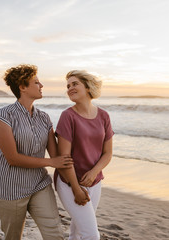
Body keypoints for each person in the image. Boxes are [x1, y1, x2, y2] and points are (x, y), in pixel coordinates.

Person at [0, 64, 73, 240]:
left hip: (39, 184)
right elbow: (13, 158)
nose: (41, 85)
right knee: (13, 236)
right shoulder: (4, 116)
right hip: (9, 188)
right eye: (36, 82)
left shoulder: (44, 117)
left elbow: (56, 155)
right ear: (22, 87)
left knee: (55, 232)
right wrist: (51, 163)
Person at [54, 70, 114, 239]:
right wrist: (76, 188)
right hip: (69, 182)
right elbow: (64, 158)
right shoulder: (68, 116)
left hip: (95, 182)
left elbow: (108, 153)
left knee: (78, 231)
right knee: (91, 234)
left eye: (75, 84)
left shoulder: (104, 116)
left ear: (88, 87)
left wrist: (94, 172)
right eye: (68, 86)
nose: (70, 88)